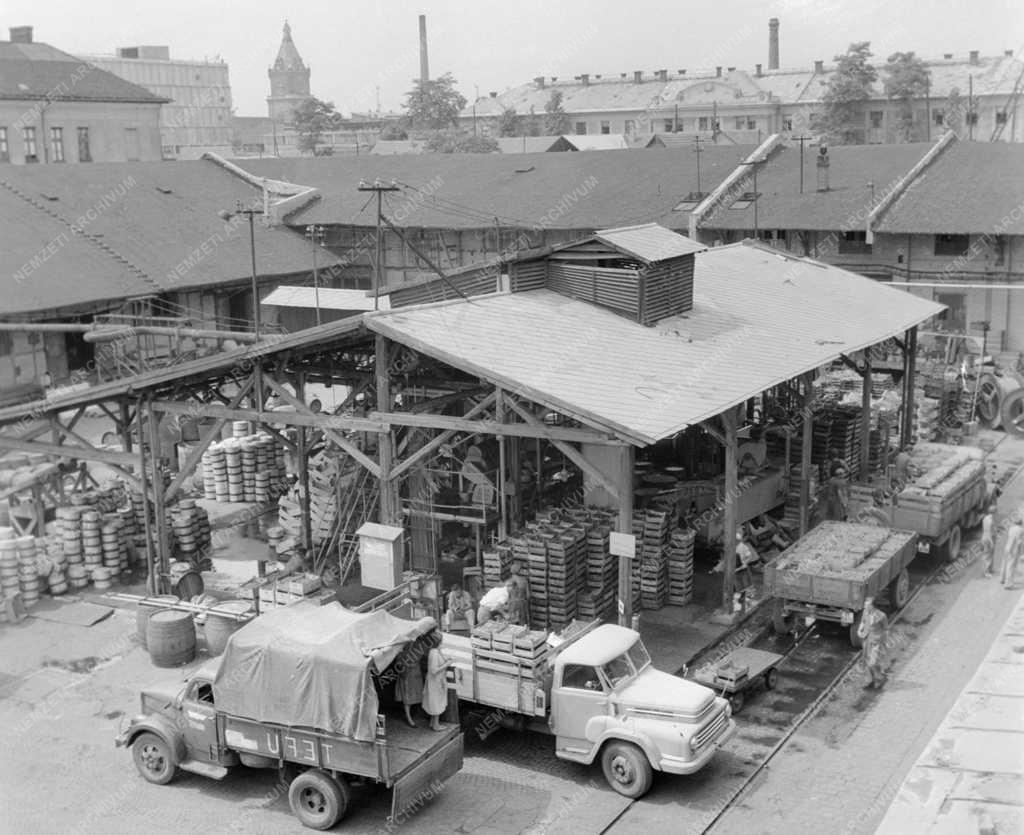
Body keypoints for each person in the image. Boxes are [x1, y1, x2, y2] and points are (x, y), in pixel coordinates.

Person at [857, 597, 889, 689]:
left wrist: (885, 643)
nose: (864, 607)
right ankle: (869, 680)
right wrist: (859, 630)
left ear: (872, 606)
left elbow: (886, 630)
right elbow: (863, 622)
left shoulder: (882, 616)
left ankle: (880, 678)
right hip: (867, 640)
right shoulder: (865, 612)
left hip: (877, 642)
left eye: (866, 605)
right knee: (866, 661)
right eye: (865, 605)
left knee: (873, 662)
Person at [422, 631, 450, 732]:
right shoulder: (434, 653)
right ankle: (436, 725)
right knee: (436, 701)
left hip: (437, 681)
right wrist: (446, 664)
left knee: (435, 700)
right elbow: (434, 670)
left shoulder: (435, 651)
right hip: (435, 681)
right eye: (441, 641)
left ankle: (432, 722)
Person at [394, 640, 425, 728]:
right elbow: (398, 664)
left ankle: (411, 715)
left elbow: (420, 658)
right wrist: (403, 664)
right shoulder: (401, 652)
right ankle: (409, 718)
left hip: (415, 676)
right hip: (407, 676)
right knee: (407, 699)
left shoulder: (418, 649)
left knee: (415, 696)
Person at [1002, 512, 1023, 590]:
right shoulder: (1021, 530)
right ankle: (1008, 584)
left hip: (1007, 547)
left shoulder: (1011, 528)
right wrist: (1021, 552)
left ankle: (1002, 579)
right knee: (1011, 566)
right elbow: (1019, 542)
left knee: (1005, 564)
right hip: (1014, 550)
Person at [981, 503, 997, 578]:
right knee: (987, 555)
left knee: (989, 555)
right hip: (988, 539)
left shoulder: (985, 518)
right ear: (994, 512)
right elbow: (989, 532)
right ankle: (986, 572)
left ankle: (990, 569)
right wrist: (991, 542)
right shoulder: (990, 521)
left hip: (985, 537)